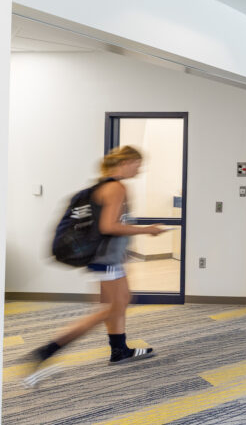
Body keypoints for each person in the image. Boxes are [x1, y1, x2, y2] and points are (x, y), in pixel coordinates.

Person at [24, 146, 167, 387]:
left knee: (121, 301)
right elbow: (108, 226)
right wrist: (147, 229)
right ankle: (47, 351)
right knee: (109, 309)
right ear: (126, 162)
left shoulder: (104, 186)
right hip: (106, 259)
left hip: (110, 258)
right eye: (137, 163)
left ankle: (119, 350)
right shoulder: (116, 187)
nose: (139, 168)